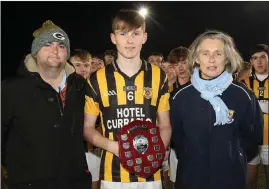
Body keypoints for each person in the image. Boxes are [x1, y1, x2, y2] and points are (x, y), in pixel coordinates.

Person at [83, 9, 171, 189]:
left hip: (150, 175)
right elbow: (87, 128)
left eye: (136, 34)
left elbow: (165, 125)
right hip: (112, 174)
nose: (130, 41)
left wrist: (154, 154)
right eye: (123, 34)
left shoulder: (158, 76)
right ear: (113, 38)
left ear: (144, 37)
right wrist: (115, 147)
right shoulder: (97, 79)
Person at [1, 20, 92, 189]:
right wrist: (13, 167)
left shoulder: (82, 87)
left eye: (61, 46)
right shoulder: (10, 89)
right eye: (48, 44)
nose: (55, 50)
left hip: (75, 182)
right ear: (36, 52)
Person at [170, 30, 263, 189]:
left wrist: (232, 155)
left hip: (231, 179)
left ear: (227, 57)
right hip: (191, 179)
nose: (211, 59)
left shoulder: (243, 95)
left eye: (218, 53)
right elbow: (177, 139)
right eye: (205, 53)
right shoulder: (179, 96)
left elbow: (252, 138)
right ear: (197, 58)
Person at [243, 44, 269, 189]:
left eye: (263, 57)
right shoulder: (243, 83)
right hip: (251, 140)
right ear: (251, 61)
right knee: (250, 182)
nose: (259, 62)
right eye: (255, 58)